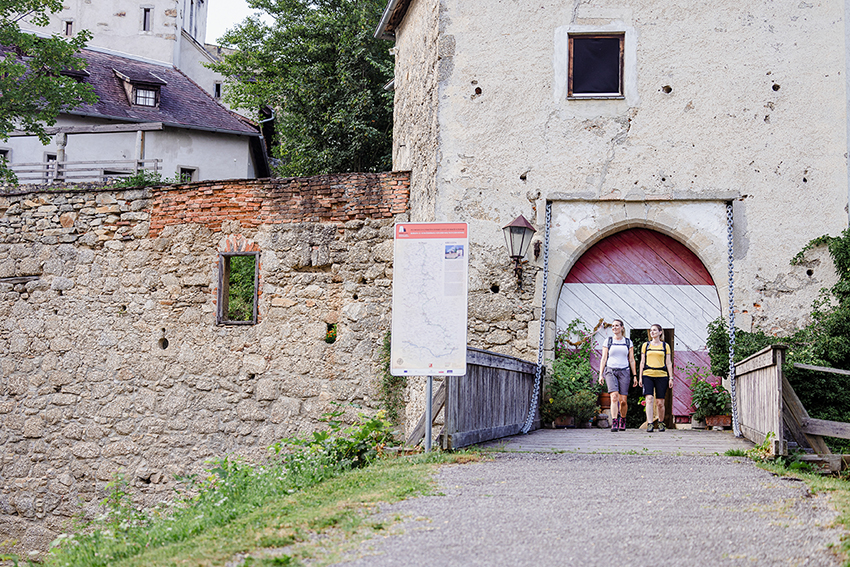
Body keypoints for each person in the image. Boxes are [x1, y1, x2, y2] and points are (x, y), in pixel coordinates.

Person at [598, 319, 636, 432]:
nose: (614, 328)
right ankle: (614, 421)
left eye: (617, 326)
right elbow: (604, 358)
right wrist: (601, 374)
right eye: (613, 326)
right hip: (610, 371)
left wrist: (634, 375)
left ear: (622, 328)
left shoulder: (628, 342)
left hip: (624, 371)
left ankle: (622, 419)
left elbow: (632, 359)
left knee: (623, 400)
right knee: (614, 397)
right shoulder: (608, 341)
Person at [638, 324, 674, 433]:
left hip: (662, 375)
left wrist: (670, 377)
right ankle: (650, 423)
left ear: (660, 332)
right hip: (648, 374)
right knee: (649, 399)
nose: (652, 332)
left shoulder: (665, 346)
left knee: (660, 402)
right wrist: (640, 377)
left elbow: (668, 362)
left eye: (654, 330)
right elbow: (642, 362)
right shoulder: (646, 345)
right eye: (651, 330)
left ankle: (661, 421)